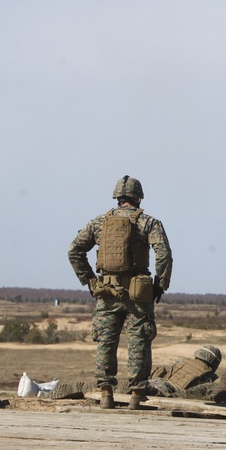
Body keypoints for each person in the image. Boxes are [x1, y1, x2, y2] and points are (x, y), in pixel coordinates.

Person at [68, 176, 172, 410]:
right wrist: (159, 285)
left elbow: (74, 250)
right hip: (139, 292)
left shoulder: (99, 223)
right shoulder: (148, 222)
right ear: (138, 197)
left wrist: (90, 281)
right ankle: (136, 394)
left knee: (106, 341)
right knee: (139, 342)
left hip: (106, 291)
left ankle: (105, 392)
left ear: (117, 198)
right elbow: (164, 254)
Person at [146, 345, 222, 397]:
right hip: (167, 390)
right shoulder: (210, 374)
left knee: (142, 388)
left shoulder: (183, 360)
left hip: (157, 382)